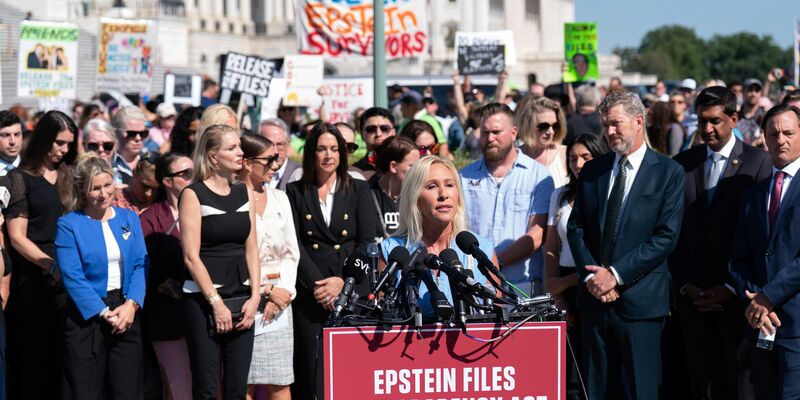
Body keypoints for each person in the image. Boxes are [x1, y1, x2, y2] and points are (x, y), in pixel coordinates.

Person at [566, 91, 685, 400]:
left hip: (640, 304)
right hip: (595, 302)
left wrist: (615, 275)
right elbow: (576, 227)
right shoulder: (593, 171)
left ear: (638, 121)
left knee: (640, 390)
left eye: (616, 124)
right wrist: (594, 277)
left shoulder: (668, 172)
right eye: (605, 125)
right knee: (597, 391)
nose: (609, 132)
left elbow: (665, 237)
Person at [670, 86, 772, 400]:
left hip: (738, 303)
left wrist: (730, 288)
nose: (707, 128)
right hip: (693, 300)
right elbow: (673, 233)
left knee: (737, 387)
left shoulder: (758, 163)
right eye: (702, 121)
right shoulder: (682, 164)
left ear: (734, 119)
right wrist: (686, 286)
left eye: (715, 121)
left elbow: (759, 237)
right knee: (699, 385)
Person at [285, 122, 376, 400]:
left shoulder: (358, 188)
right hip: (312, 294)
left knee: (353, 371)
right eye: (322, 149)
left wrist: (343, 285)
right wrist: (319, 287)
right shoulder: (295, 191)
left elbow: (366, 242)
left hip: (351, 292)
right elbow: (293, 244)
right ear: (311, 152)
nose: (328, 155)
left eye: (334, 149)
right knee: (312, 373)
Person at [55, 153, 147, 399]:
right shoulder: (69, 224)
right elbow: (72, 276)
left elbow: (140, 264)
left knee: (127, 389)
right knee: (85, 390)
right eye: (95, 188)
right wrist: (104, 312)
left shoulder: (129, 218)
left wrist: (131, 305)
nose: (104, 193)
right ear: (81, 189)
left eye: (108, 185)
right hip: (88, 316)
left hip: (126, 311)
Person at [179, 124, 260, 399]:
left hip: (242, 298)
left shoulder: (244, 191)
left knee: (237, 387)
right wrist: (216, 303)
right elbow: (191, 256)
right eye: (232, 148)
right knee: (206, 387)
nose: (240, 152)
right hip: (203, 300)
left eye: (239, 146)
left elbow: (252, 248)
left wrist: (255, 297)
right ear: (213, 156)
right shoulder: (193, 194)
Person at [728, 104, 800, 400]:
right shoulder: (754, 194)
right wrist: (755, 298)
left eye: (788, 133)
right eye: (773, 134)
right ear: (764, 138)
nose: (780, 140)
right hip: (760, 325)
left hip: (796, 327)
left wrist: (767, 296)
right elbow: (737, 258)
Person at [4, 110, 77, 400]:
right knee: (33, 360)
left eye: (69, 143)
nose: (64, 149)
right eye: (59, 142)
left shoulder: (72, 176)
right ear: (44, 139)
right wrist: (50, 265)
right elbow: (17, 237)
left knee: (64, 359)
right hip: (34, 278)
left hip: (70, 276)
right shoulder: (20, 178)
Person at [379, 155, 499, 316]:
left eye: (449, 185)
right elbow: (383, 317)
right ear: (414, 196)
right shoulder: (392, 250)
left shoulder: (481, 249)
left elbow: (497, 317)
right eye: (431, 186)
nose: (443, 194)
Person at [461, 103, 554, 297]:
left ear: (513, 133)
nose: (490, 138)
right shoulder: (464, 177)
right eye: (485, 132)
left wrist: (495, 263)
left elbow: (537, 234)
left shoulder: (538, 176)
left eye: (496, 132)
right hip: (476, 284)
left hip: (522, 284)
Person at [543, 133, 609, 398]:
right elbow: (550, 246)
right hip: (564, 282)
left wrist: (571, 281)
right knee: (569, 369)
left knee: (595, 362)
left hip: (595, 281)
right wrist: (557, 292)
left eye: (585, 157)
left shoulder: (607, 192)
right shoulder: (559, 196)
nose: (578, 164)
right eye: (572, 158)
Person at [239, 134, 299, 400]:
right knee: (243, 384)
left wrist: (283, 292)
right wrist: (265, 290)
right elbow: (231, 255)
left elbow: (291, 252)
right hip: (243, 297)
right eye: (268, 159)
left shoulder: (280, 198)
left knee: (279, 381)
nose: (275, 164)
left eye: (276, 158)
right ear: (247, 162)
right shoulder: (230, 199)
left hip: (280, 300)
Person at [139, 153, 194, 400]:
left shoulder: (208, 211)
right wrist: (177, 288)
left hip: (208, 314)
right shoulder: (149, 218)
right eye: (186, 174)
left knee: (213, 386)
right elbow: (145, 267)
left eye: (194, 172)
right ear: (167, 181)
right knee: (180, 388)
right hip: (168, 316)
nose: (193, 178)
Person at [368, 135, 419, 238]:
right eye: (412, 166)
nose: (418, 170)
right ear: (393, 166)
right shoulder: (367, 196)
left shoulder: (417, 196)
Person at [517, 96, 569, 188]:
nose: (551, 132)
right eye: (544, 126)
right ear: (527, 125)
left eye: (555, 126)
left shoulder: (565, 154)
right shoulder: (514, 156)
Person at [353, 107, 397, 179]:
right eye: (371, 129)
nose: (378, 134)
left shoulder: (405, 166)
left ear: (394, 132)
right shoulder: (354, 172)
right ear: (362, 134)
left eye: (384, 128)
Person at [111, 106, 148, 185]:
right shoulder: (107, 162)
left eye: (142, 133)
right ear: (115, 133)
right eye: (131, 134)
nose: (138, 138)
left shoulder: (151, 160)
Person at [260, 118, 300, 191]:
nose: (275, 151)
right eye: (269, 144)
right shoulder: (249, 174)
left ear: (288, 144)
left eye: (279, 144)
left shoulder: (299, 175)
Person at [82, 118, 123, 184]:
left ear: (115, 145)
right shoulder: (76, 176)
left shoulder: (125, 173)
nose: (101, 149)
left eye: (107, 145)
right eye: (94, 146)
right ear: (84, 146)